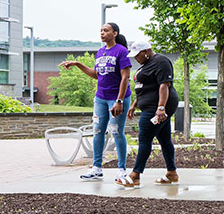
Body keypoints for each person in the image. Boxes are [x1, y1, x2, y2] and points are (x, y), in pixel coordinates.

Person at [59, 22, 132, 181]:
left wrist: (119, 100)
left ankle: (122, 169)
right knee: (98, 131)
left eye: (106, 30)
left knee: (116, 131)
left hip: (117, 98)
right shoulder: (100, 52)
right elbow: (96, 74)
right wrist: (78, 64)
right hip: (100, 98)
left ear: (115, 33)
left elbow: (125, 77)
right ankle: (97, 168)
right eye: (101, 30)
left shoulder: (121, 51)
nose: (102, 33)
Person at [115, 41, 179, 187]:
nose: (136, 59)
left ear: (146, 52)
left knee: (144, 138)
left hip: (155, 109)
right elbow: (146, 88)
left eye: (137, 55)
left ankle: (135, 175)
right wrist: (134, 104)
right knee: (164, 139)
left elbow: (164, 85)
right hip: (150, 106)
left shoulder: (161, 61)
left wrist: (161, 108)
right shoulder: (147, 65)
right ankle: (171, 173)